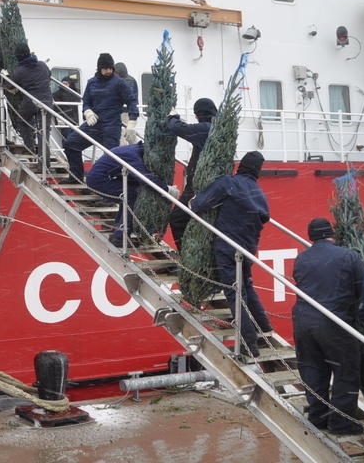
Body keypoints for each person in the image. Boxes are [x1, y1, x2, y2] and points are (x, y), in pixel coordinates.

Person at [189, 151, 272, 359]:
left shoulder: (229, 183)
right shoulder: (258, 193)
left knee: (235, 291)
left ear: (241, 165)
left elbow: (199, 204)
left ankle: (248, 342)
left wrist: (191, 202)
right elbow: (264, 217)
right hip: (248, 248)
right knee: (246, 284)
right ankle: (264, 327)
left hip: (228, 246)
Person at [293, 217, 364, 434]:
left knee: (313, 369)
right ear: (331, 234)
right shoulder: (348, 255)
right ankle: (341, 422)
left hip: (302, 321)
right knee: (346, 370)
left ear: (311, 237)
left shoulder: (302, 258)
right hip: (333, 320)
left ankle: (318, 416)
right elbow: (362, 287)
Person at [63, 53, 139, 181]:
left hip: (111, 125)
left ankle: (108, 195)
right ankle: (75, 176)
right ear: (99, 68)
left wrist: (132, 123)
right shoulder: (92, 83)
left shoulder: (120, 83)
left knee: (111, 158)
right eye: (105, 68)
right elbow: (86, 101)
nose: (108, 71)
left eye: (110, 68)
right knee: (70, 144)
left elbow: (132, 101)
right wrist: (88, 112)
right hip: (94, 123)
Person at [86, 142, 177, 245]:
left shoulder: (134, 149)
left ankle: (118, 228)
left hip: (105, 177)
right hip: (100, 180)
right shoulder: (132, 156)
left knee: (128, 195)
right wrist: (166, 189)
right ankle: (120, 237)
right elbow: (144, 177)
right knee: (130, 197)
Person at [165, 98, 217, 251]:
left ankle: (188, 256)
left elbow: (178, 128)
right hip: (213, 184)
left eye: (197, 115)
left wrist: (172, 117)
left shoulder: (206, 128)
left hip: (199, 185)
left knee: (177, 219)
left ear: (201, 114)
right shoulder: (219, 127)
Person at [9, 42, 53, 160]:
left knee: (22, 122)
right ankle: (44, 163)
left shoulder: (19, 71)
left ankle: (30, 148)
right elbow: (49, 75)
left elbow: (9, 85)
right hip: (47, 102)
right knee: (44, 133)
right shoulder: (43, 65)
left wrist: (5, 75)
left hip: (30, 102)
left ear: (18, 56)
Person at [52, 75, 80, 140]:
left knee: (75, 138)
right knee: (66, 137)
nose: (64, 85)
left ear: (69, 84)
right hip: (64, 119)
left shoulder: (74, 94)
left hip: (74, 120)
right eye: (63, 83)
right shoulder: (56, 94)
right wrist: (59, 117)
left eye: (66, 83)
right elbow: (56, 107)